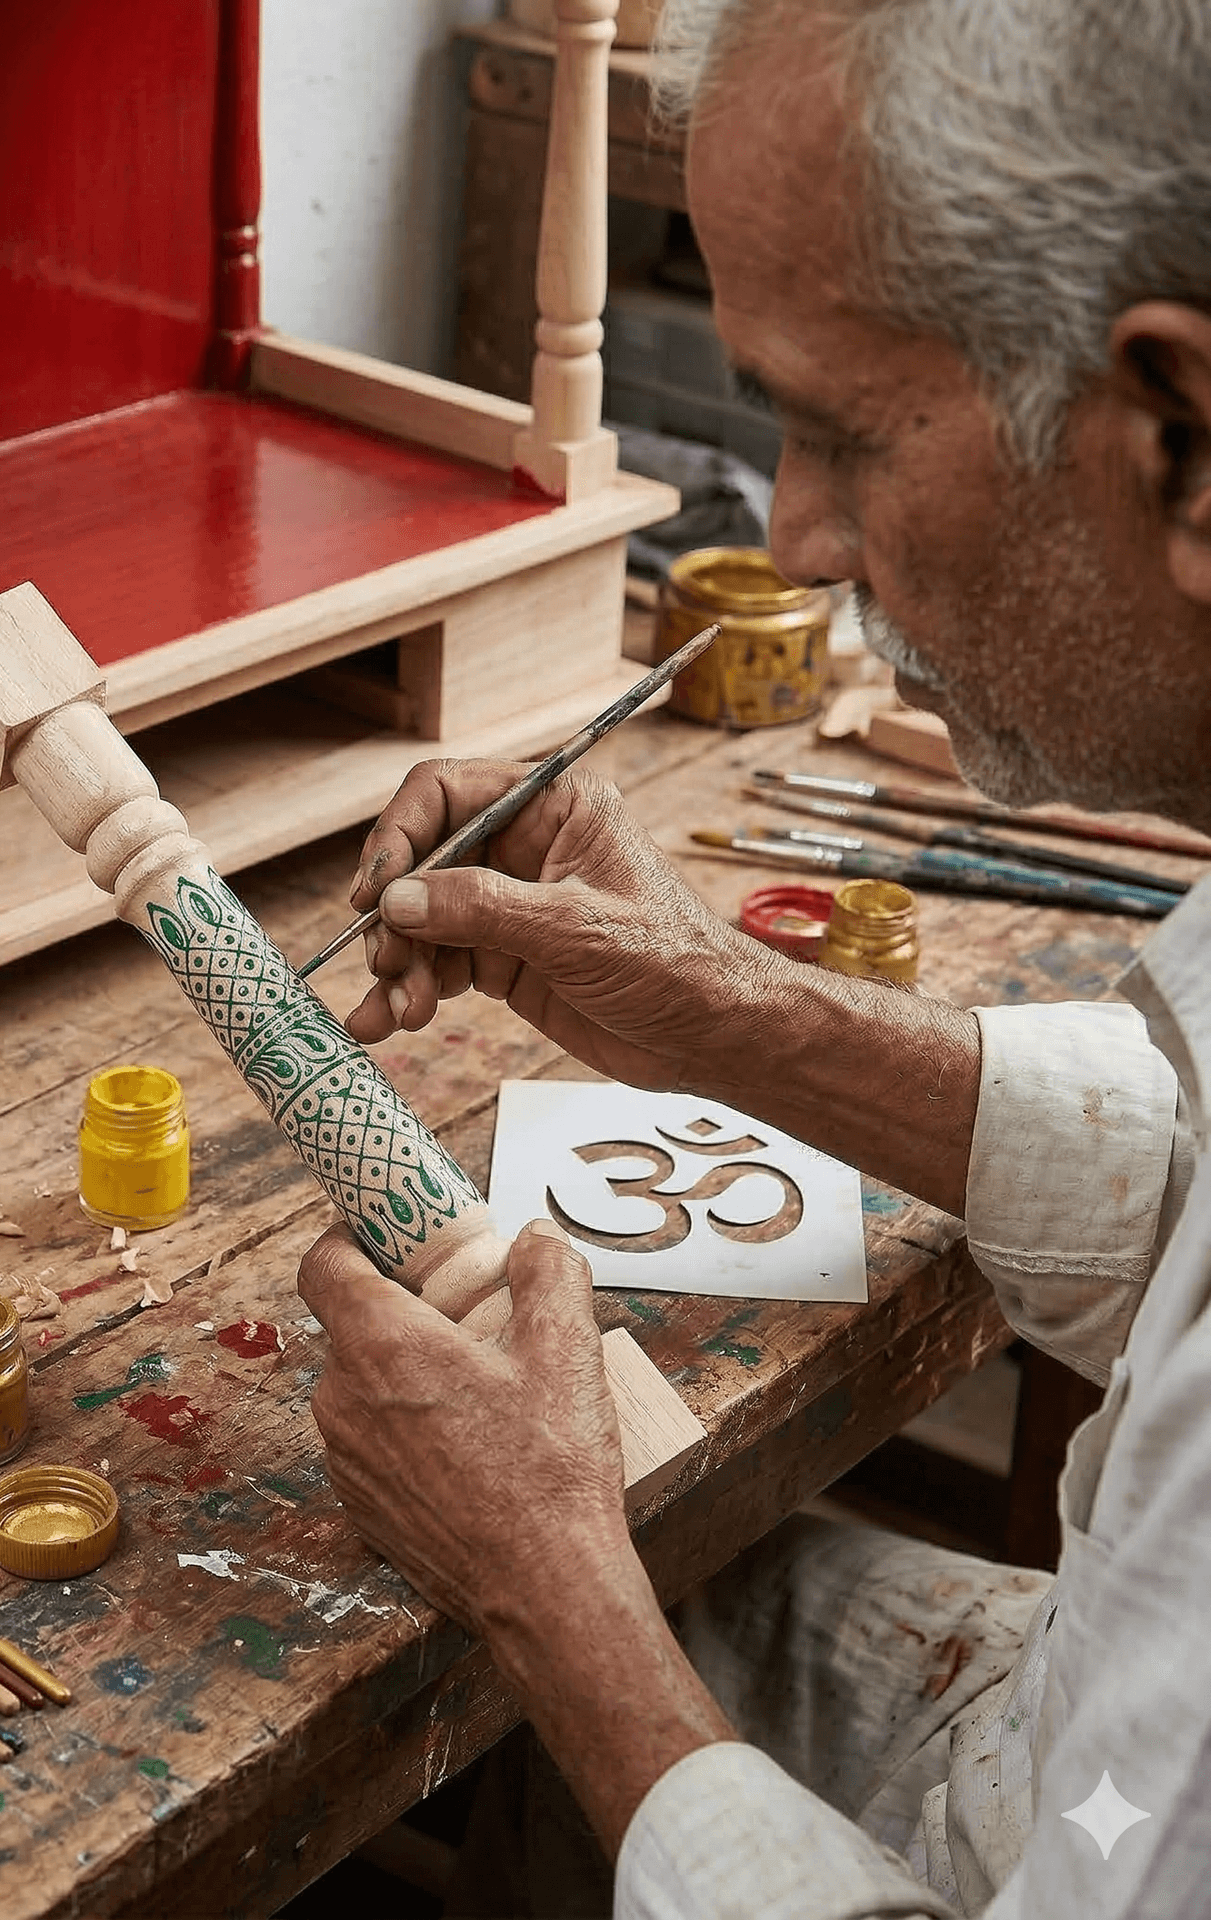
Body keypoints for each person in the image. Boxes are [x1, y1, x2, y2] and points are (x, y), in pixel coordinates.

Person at [294, 1, 1211, 1914]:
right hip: (1084, 1765)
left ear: (1187, 442)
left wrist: (552, 1598)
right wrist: (720, 1002)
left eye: (847, 432)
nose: (788, 538)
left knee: (569, 1639)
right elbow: (1186, 1172)